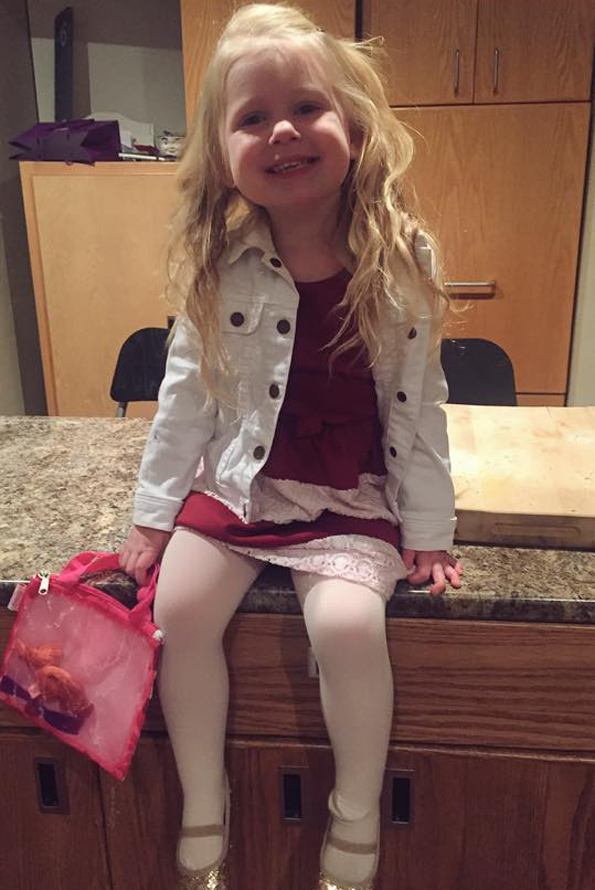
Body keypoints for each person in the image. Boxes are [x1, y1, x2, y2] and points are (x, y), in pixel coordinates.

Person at [119, 4, 463, 889]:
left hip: (349, 488)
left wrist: (430, 530)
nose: (281, 130)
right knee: (176, 613)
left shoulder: (398, 253)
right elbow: (184, 399)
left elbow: (421, 403)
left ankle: (355, 812)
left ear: (354, 125)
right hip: (243, 480)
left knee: (347, 627)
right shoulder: (217, 260)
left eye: (306, 108)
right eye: (252, 118)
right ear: (220, 153)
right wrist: (154, 516)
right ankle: (205, 799)